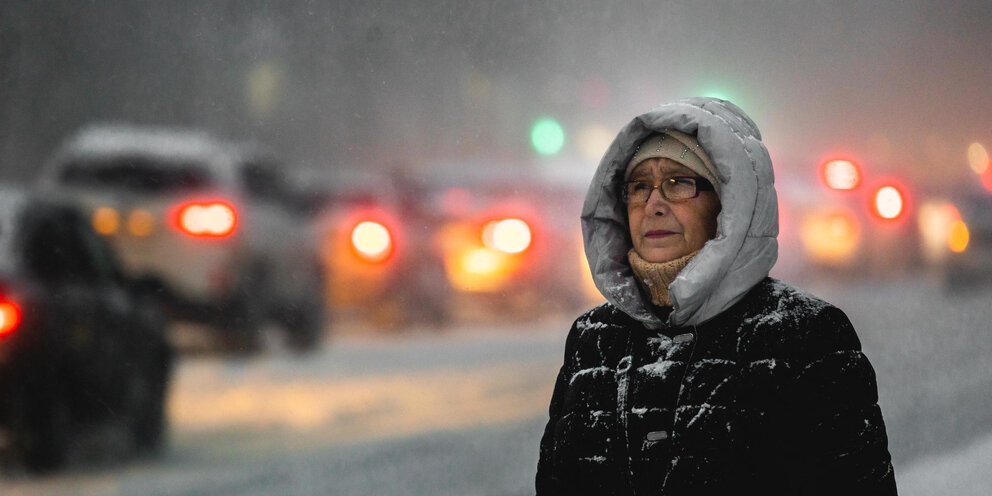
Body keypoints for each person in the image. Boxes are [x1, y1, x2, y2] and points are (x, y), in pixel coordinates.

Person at [536, 97, 897, 495]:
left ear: (727, 204)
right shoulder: (593, 340)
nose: (654, 205)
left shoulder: (804, 336)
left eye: (679, 183)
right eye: (639, 187)